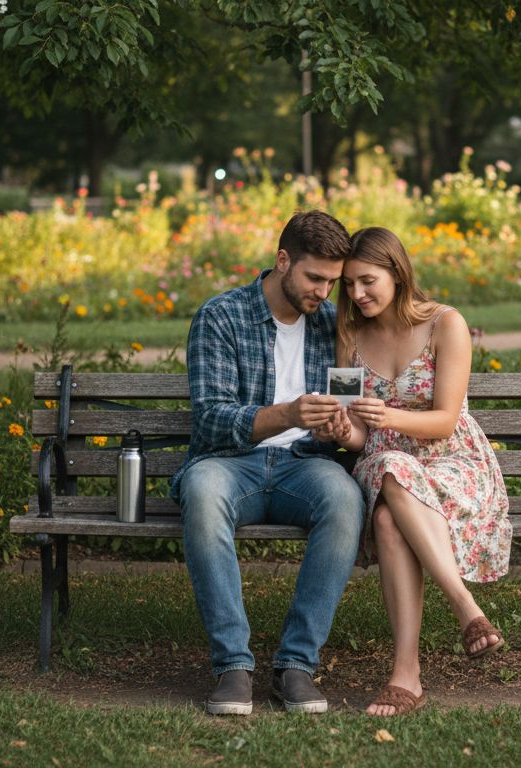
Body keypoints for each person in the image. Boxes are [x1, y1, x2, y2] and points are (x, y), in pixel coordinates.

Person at [172, 209, 365, 716]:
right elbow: (211, 420)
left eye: (333, 281)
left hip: (304, 465)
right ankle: (233, 665)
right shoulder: (221, 316)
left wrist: (339, 428)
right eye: (315, 278)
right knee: (202, 491)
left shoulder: (332, 325)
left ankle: (297, 665)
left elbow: (347, 406)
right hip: (231, 463)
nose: (325, 292)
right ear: (283, 261)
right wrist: (286, 414)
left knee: (345, 499)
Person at [322, 226, 512, 717]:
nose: (356, 294)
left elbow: (446, 418)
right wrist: (345, 432)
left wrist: (388, 418)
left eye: (367, 281)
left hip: (452, 463)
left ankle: (407, 673)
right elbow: (363, 438)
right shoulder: (350, 336)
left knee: (387, 519)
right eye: (347, 285)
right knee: (387, 466)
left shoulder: (445, 324)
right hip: (384, 465)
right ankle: (464, 608)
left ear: (396, 272)